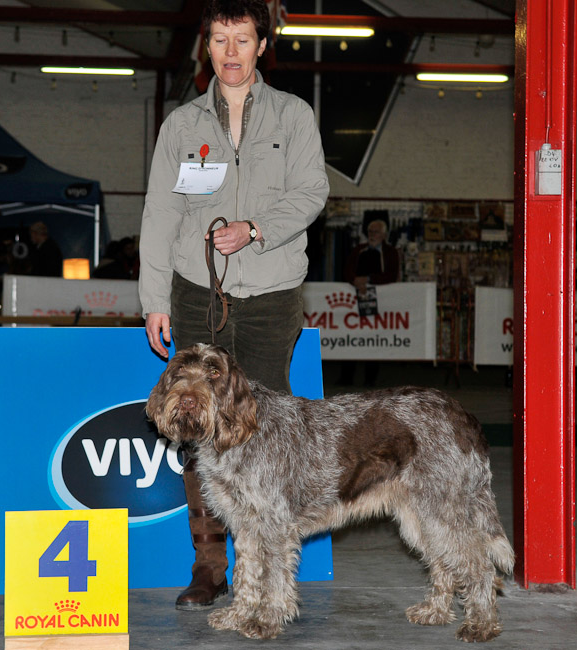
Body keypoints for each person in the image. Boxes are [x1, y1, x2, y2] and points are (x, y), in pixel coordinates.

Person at [138, 0, 329, 612]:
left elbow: (312, 191)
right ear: (207, 47)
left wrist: (256, 229)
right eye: (218, 40)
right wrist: (153, 298)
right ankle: (208, 564)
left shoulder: (294, 116)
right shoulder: (182, 125)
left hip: (272, 295)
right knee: (197, 429)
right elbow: (160, 216)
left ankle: (265, 566)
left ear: (261, 46)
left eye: (241, 39)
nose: (229, 52)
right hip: (199, 292)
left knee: (268, 433)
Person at [341, 218, 401, 385]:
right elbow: (346, 271)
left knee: (374, 337)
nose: (372, 235)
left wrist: (368, 279)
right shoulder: (358, 250)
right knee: (351, 338)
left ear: (384, 235)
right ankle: (346, 377)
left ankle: (370, 379)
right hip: (355, 300)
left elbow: (391, 275)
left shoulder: (391, 252)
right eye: (369, 232)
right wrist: (356, 280)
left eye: (375, 232)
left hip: (380, 301)